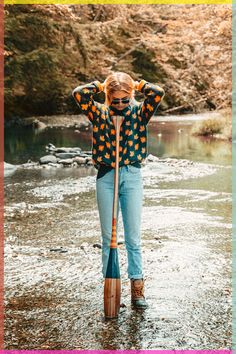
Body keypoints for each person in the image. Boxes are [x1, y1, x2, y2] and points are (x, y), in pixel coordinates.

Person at [72, 72, 165, 309]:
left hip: (131, 176)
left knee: (133, 238)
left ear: (131, 96)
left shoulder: (140, 113)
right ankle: (111, 287)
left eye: (125, 99)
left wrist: (137, 83)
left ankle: (137, 289)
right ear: (108, 98)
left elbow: (157, 93)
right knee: (108, 239)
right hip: (106, 176)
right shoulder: (99, 113)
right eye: (116, 100)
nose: (121, 104)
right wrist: (101, 85)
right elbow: (79, 94)